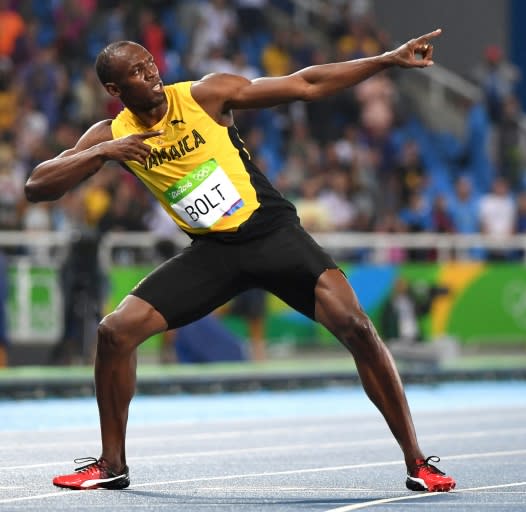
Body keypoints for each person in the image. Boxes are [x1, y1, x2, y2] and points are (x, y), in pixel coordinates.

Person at [25, 30, 455, 493]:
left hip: (272, 234)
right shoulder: (113, 135)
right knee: (114, 332)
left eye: (150, 63)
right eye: (136, 71)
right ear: (114, 91)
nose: (151, 73)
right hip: (213, 254)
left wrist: (387, 60)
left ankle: (418, 462)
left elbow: (305, 84)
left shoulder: (205, 95)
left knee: (357, 326)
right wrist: (103, 152)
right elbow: (36, 186)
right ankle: (112, 465)